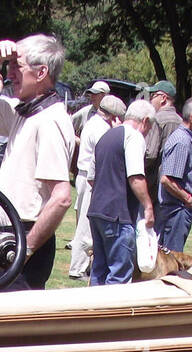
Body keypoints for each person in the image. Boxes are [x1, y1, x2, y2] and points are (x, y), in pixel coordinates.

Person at [0, 33, 74, 289]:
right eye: (9, 66)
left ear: (41, 72)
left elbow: (61, 197)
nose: (10, 74)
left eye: (17, 66)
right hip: (7, 235)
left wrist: (25, 250)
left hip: (24, 237)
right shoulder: (22, 113)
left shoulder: (50, 121)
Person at [87, 98, 155, 286]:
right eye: (150, 127)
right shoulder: (134, 136)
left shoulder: (105, 137)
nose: (148, 132)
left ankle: (94, 313)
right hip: (118, 215)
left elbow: (91, 177)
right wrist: (148, 206)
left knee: (99, 271)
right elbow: (136, 177)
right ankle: (112, 315)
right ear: (146, 121)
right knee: (119, 273)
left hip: (96, 211)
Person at [67, 93, 124, 278]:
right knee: (85, 227)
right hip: (90, 178)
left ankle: (82, 266)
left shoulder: (91, 123)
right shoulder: (100, 129)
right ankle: (77, 268)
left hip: (84, 176)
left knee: (85, 224)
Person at [156, 96, 192, 253]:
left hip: (178, 210)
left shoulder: (187, 140)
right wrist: (187, 199)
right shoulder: (181, 142)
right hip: (176, 211)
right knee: (171, 260)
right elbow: (167, 180)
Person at [142, 79, 181, 197]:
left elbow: (150, 154)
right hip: (174, 184)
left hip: (155, 184)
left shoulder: (157, 119)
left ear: (163, 98)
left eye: (153, 96)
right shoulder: (180, 121)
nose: (150, 100)